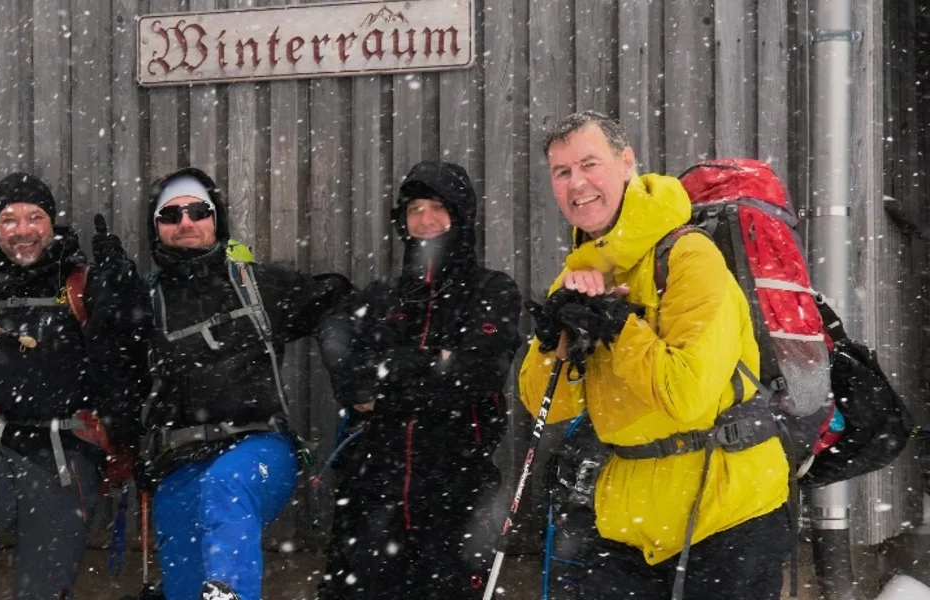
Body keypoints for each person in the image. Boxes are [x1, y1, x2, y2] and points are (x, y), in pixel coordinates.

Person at [517, 112, 789, 599]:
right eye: (562, 172)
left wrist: (619, 326)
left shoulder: (689, 259)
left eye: (589, 164)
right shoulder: (579, 275)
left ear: (626, 163)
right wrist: (548, 342)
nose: (577, 183)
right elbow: (548, 407)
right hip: (629, 521)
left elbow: (686, 395)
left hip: (724, 515)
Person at [133, 167, 352, 600]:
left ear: (216, 219)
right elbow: (111, 377)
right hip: (178, 458)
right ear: (156, 229)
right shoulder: (144, 302)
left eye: (198, 211)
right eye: (170, 215)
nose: (186, 223)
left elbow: (339, 299)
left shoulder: (256, 286)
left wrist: (344, 359)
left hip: (258, 446)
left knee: (225, 487)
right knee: (182, 584)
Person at [0, 172, 149, 600]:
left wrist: (126, 294)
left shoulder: (81, 285)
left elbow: (128, 366)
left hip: (64, 452)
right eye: (9, 220)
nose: (23, 231)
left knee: (44, 585)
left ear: (52, 223)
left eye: (34, 217)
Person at [316, 161, 521, 599]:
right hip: (375, 488)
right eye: (415, 209)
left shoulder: (492, 290)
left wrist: (388, 373)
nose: (425, 220)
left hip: (455, 488)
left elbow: (477, 374)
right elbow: (343, 360)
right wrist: (431, 362)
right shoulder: (381, 297)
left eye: (439, 207)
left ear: (461, 216)